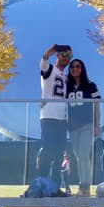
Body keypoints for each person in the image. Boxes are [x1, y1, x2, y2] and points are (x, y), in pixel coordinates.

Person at [64, 56, 101, 196]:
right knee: (78, 157)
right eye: (72, 66)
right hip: (73, 127)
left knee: (84, 154)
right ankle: (83, 187)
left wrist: (97, 125)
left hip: (87, 124)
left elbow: (96, 105)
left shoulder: (91, 85)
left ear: (82, 68)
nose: (75, 69)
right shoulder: (66, 86)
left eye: (78, 66)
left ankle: (85, 186)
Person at [37, 43, 71, 182]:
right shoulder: (51, 69)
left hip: (62, 119)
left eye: (69, 56)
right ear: (58, 55)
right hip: (49, 116)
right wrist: (47, 54)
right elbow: (43, 65)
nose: (66, 58)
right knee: (47, 150)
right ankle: (41, 182)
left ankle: (55, 185)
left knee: (59, 153)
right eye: (64, 54)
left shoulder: (66, 77)